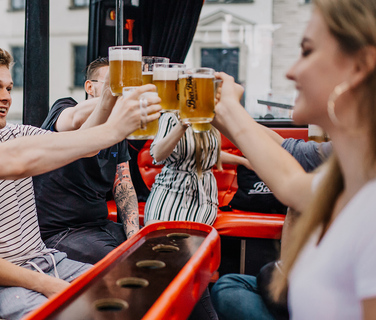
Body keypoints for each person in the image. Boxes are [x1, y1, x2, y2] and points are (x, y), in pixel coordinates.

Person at [0, 45, 160, 320]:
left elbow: (82, 145)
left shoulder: (13, 134)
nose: (6, 97)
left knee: (132, 296)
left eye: (9, 88)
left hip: (43, 261)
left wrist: (109, 94)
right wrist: (115, 129)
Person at [210, 0, 376, 317]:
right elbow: (288, 181)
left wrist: (232, 113)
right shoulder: (344, 178)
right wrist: (225, 115)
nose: (291, 70)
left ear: (359, 66)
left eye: (307, 51)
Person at [211, 136, 332, 320]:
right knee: (228, 284)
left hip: (318, 298)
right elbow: (289, 150)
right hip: (308, 281)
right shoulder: (336, 155)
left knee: (237, 286)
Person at [33, 57, 140, 265]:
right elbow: (75, 119)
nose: (120, 90)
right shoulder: (64, 107)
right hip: (60, 231)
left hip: (99, 226)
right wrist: (111, 100)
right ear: (89, 87)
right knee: (123, 265)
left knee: (159, 255)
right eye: (111, 83)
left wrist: (134, 234)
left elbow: (123, 184)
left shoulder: (117, 129)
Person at [144, 111, 251, 225]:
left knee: (191, 240)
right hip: (169, 188)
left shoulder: (209, 117)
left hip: (202, 194)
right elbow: (158, 155)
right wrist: (182, 125)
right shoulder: (170, 118)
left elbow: (209, 153)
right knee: (156, 237)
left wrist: (243, 161)